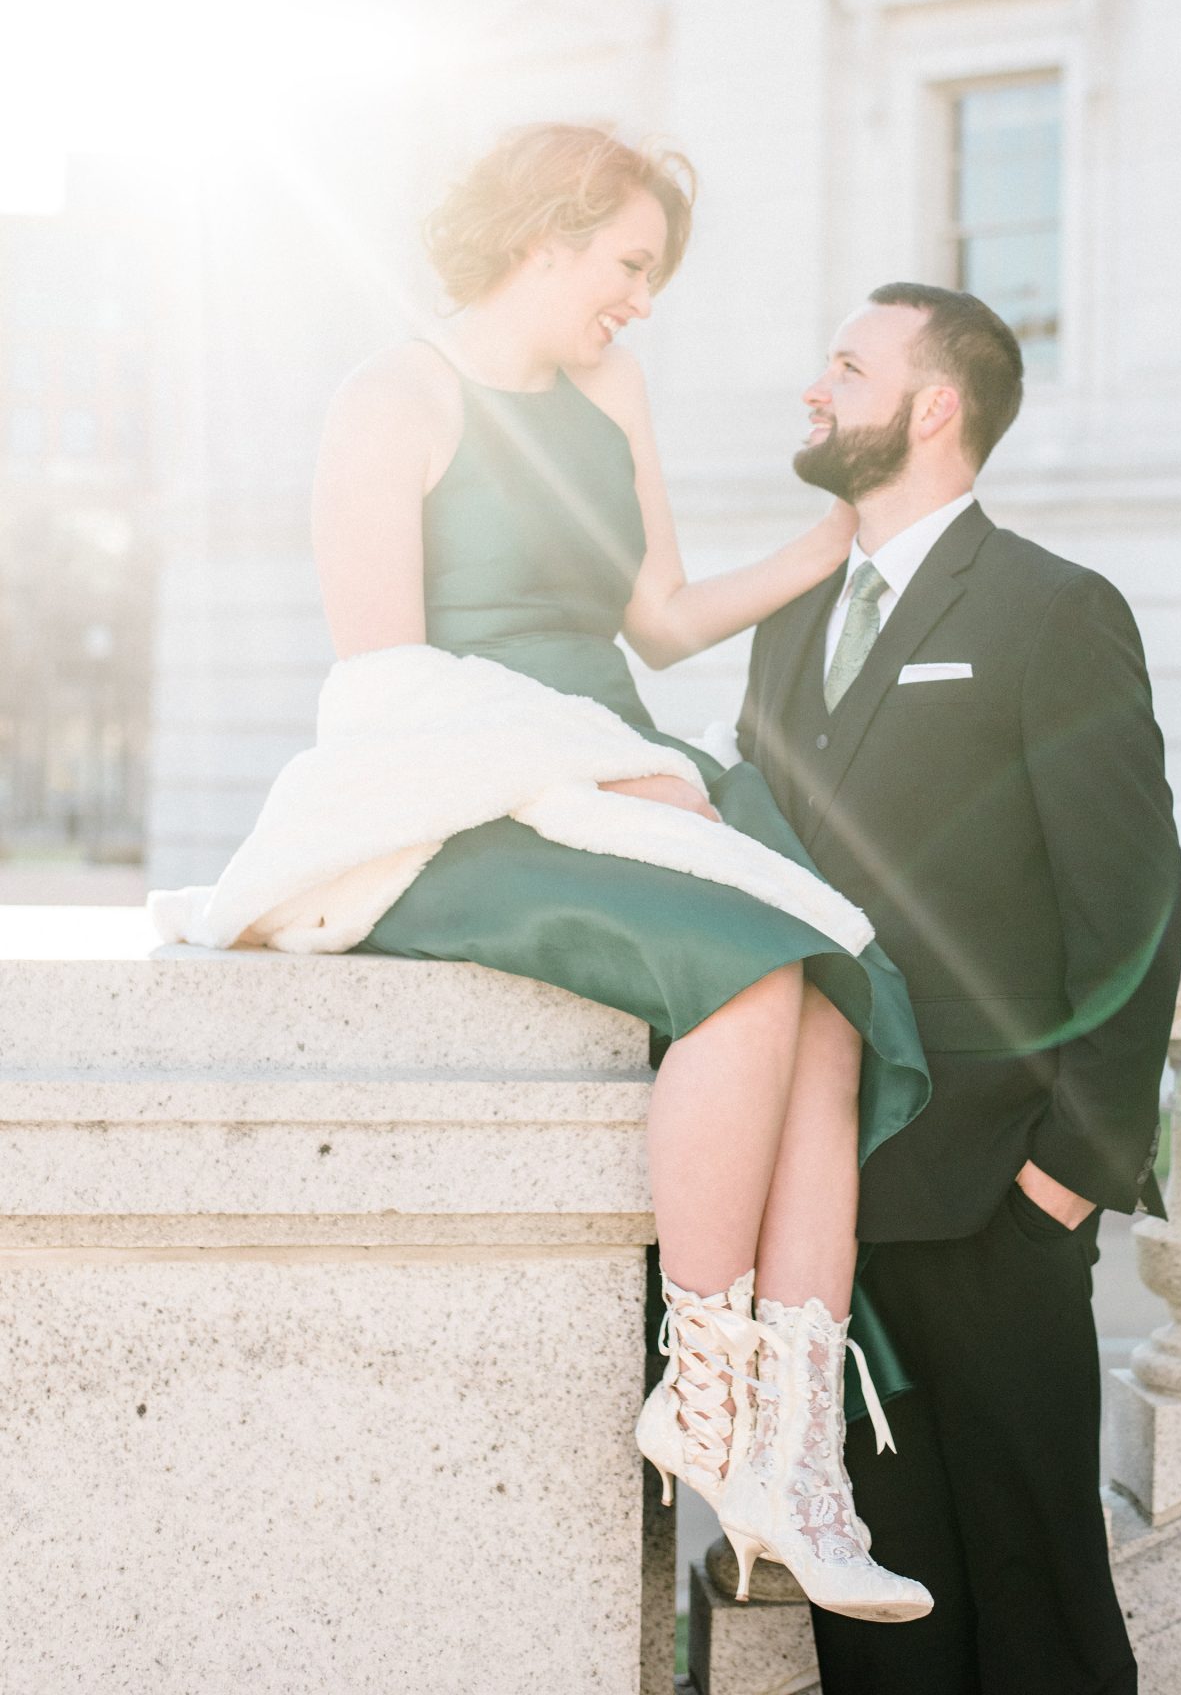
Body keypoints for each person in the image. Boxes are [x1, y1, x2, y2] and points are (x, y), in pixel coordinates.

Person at [309, 124, 933, 1621]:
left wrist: (849, 529)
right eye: (631, 264)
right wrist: (579, 762)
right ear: (549, 232)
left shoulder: (610, 391)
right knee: (744, 970)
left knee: (838, 991)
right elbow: (377, 684)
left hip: (630, 756)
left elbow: (656, 618)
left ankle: (793, 1458)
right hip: (461, 788)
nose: (641, 299)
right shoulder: (389, 400)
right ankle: (704, 1397)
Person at [737, 282, 1181, 1692]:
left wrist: (1067, 1173)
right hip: (822, 1208)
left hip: (1000, 1200)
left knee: (1036, 1592)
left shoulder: (1055, 611)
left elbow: (1132, 905)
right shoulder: (788, 624)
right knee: (873, 1615)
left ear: (934, 407)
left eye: (849, 365)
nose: (818, 387)